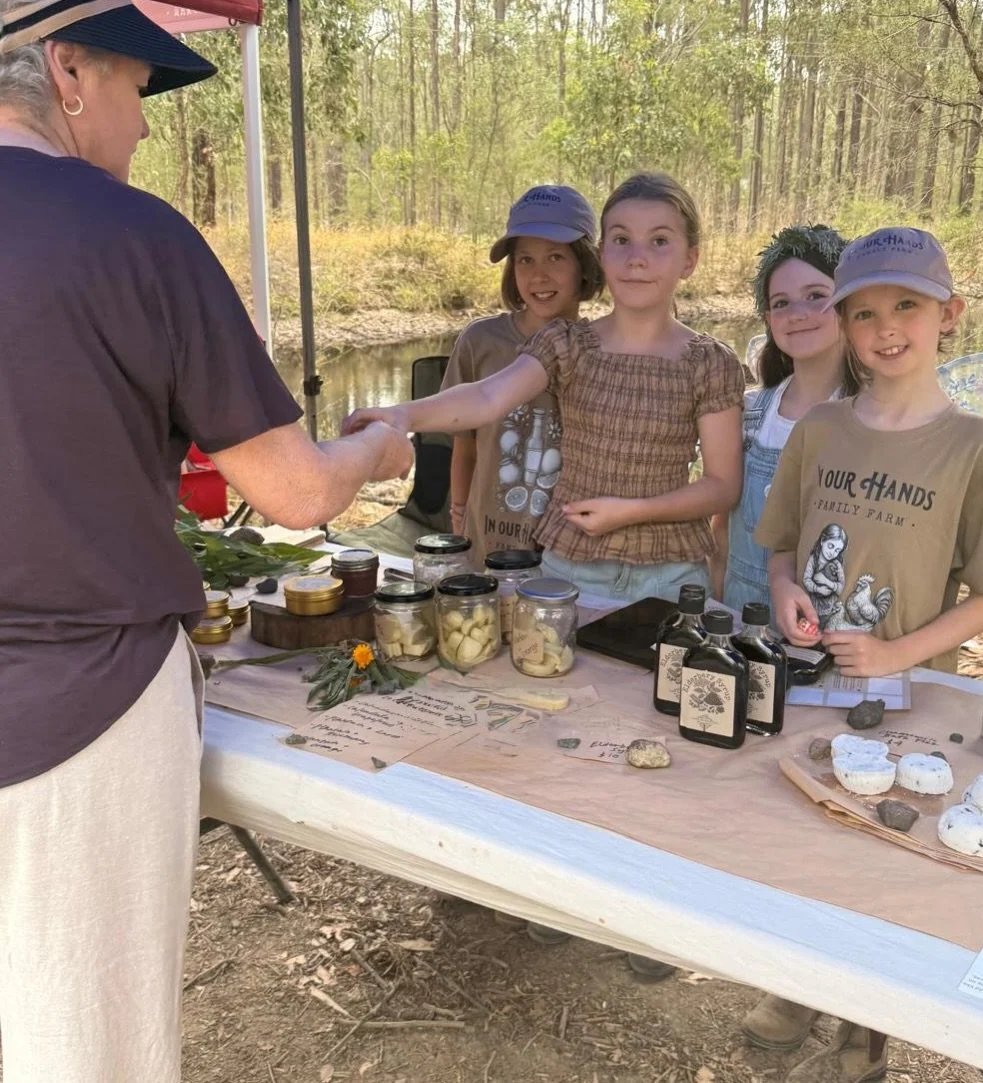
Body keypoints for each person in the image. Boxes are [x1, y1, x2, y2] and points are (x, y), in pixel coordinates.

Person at [0, 4, 413, 1081]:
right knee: (82, 1048)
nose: (144, 129)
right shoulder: (131, 235)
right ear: (69, 67)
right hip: (75, 712)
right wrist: (378, 447)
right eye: (140, 90)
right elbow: (293, 494)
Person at [752, 227, 983, 1082]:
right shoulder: (820, 429)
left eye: (905, 306)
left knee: (879, 849)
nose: (884, 329)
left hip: (905, 694)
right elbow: (778, 547)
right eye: (864, 311)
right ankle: (797, 983)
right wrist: (783, 592)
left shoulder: (971, 446)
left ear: (947, 314)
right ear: (842, 324)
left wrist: (894, 654)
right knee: (804, 834)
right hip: (810, 683)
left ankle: (863, 1026)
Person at [345, 172, 745, 604]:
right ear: (602, 254)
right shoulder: (566, 344)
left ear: (690, 259)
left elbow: (722, 486)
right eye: (622, 240)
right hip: (571, 570)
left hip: (671, 577)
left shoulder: (711, 362)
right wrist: (402, 415)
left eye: (660, 241)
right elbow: (485, 396)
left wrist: (633, 512)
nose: (637, 258)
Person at [442, 184, 603, 555]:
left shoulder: (600, 346)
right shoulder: (480, 341)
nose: (539, 276)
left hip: (569, 549)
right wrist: (459, 511)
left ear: (585, 264)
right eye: (525, 260)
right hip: (489, 539)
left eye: (556, 258)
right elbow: (464, 443)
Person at [711, 224, 858, 607]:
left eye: (816, 296)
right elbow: (722, 529)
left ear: (848, 305)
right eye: (781, 303)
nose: (798, 314)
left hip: (827, 630)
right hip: (744, 619)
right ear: (768, 319)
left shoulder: (873, 420)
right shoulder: (749, 414)